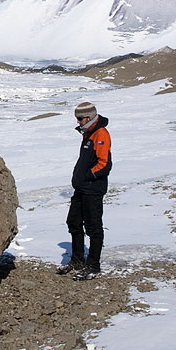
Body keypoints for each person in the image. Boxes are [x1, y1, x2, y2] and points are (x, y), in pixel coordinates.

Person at [57, 101, 112, 280]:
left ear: (89, 117)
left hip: (92, 189)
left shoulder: (100, 133)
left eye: (80, 118)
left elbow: (104, 164)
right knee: (73, 222)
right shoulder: (89, 133)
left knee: (93, 226)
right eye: (77, 118)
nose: (78, 121)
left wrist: (87, 176)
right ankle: (77, 259)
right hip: (82, 188)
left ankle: (93, 265)